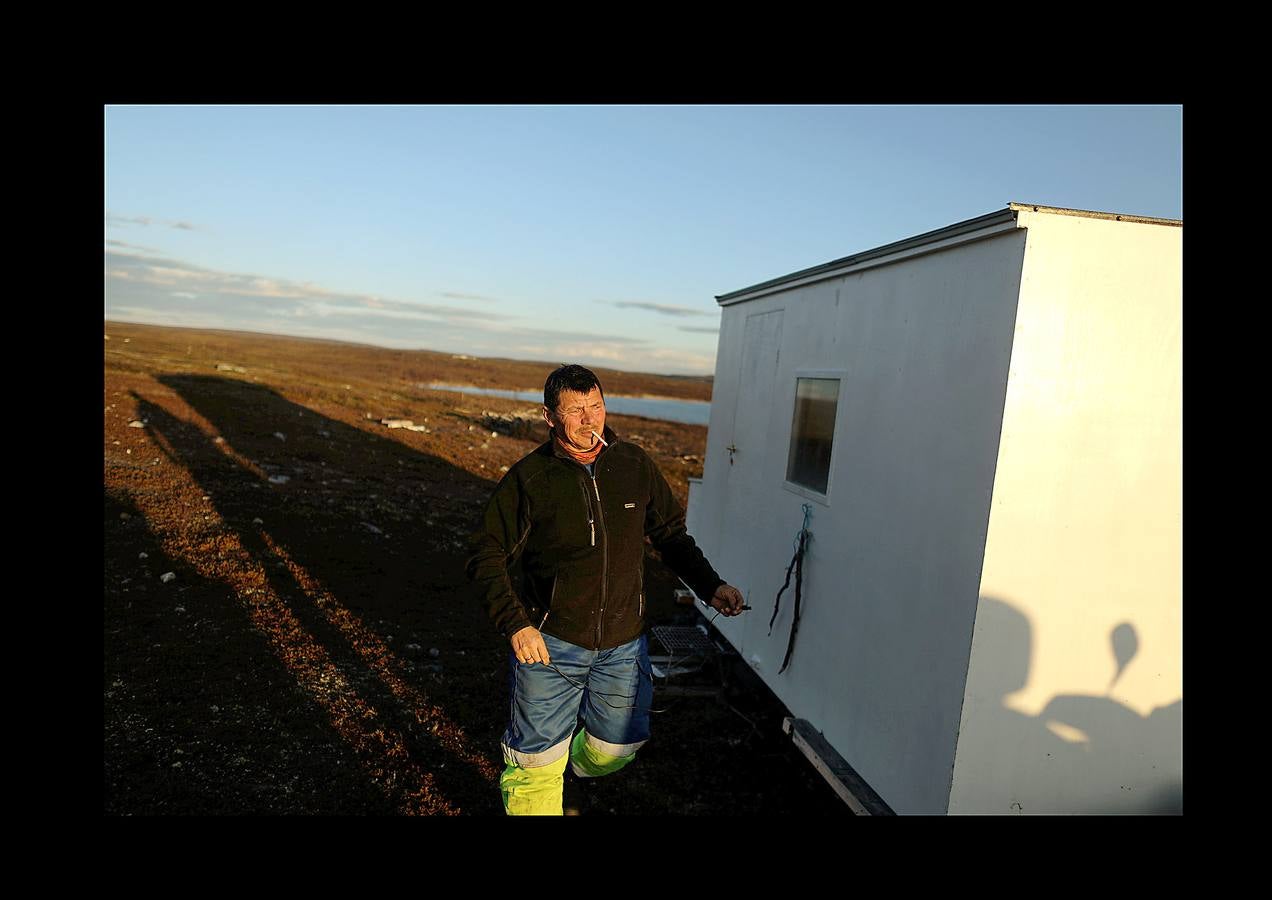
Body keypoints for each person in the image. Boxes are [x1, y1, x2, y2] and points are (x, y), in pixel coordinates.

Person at [466, 364, 745, 815]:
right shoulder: (530, 478)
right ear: (549, 416)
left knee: (616, 748)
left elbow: (671, 536)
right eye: (575, 411)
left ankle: (568, 770)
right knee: (535, 762)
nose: (589, 420)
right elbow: (485, 555)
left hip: (623, 643)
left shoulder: (634, 465)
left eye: (595, 406)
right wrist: (516, 624)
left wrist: (711, 586)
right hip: (550, 645)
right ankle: (545, 781)